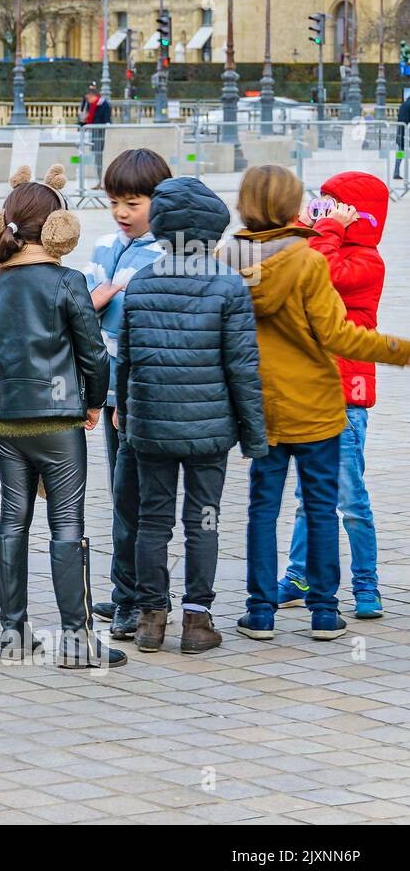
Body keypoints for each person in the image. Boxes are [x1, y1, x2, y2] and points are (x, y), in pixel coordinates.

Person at [219, 165, 409, 642]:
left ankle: (269, 609)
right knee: (317, 506)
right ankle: (322, 608)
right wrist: (401, 351)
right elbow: (334, 328)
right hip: (319, 404)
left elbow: (318, 272)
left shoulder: (237, 257)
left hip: (284, 402)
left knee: (294, 507)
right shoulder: (304, 256)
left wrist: (315, 228)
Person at [0, 165, 123, 668]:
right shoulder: (68, 281)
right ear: (60, 228)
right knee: (67, 522)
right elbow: (93, 353)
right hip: (60, 419)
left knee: (12, 519)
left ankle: (12, 632)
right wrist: (93, 401)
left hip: (8, 417)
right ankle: (77, 640)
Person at [115, 177, 268, 655]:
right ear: (213, 229)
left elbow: (127, 360)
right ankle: (198, 621)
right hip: (209, 431)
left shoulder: (142, 282)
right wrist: (254, 436)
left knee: (152, 520)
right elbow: (242, 367)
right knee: (204, 519)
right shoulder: (228, 286)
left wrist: (127, 415)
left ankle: (150, 619)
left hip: (152, 427)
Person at [279, 172, 391, 620]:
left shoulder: (368, 261)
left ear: (358, 215)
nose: (325, 211)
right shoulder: (320, 241)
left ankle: (367, 583)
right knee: (310, 495)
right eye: (321, 202)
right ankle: (299, 575)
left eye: (335, 204)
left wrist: (327, 230)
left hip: (345, 393)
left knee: (351, 498)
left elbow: (322, 277)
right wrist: (300, 225)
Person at [81, 148, 171, 635]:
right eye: (115, 201)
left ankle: (139, 598)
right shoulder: (102, 245)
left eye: (132, 203)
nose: (121, 213)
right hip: (109, 388)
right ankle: (125, 592)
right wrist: (89, 303)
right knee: (120, 495)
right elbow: (87, 306)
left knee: (137, 497)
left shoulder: (168, 253)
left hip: (141, 390)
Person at [77, 83, 112, 186]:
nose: (87, 101)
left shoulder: (102, 104)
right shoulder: (93, 105)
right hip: (95, 135)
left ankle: (101, 182)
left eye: (88, 98)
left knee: (99, 158)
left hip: (100, 135)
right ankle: (99, 182)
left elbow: (106, 120)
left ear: (93, 96)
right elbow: (90, 119)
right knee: (97, 158)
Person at [394, 92, 410, 179]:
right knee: (401, 151)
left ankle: (396, 171)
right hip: (406, 132)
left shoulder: (404, 103)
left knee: (400, 151)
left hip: (400, 131)